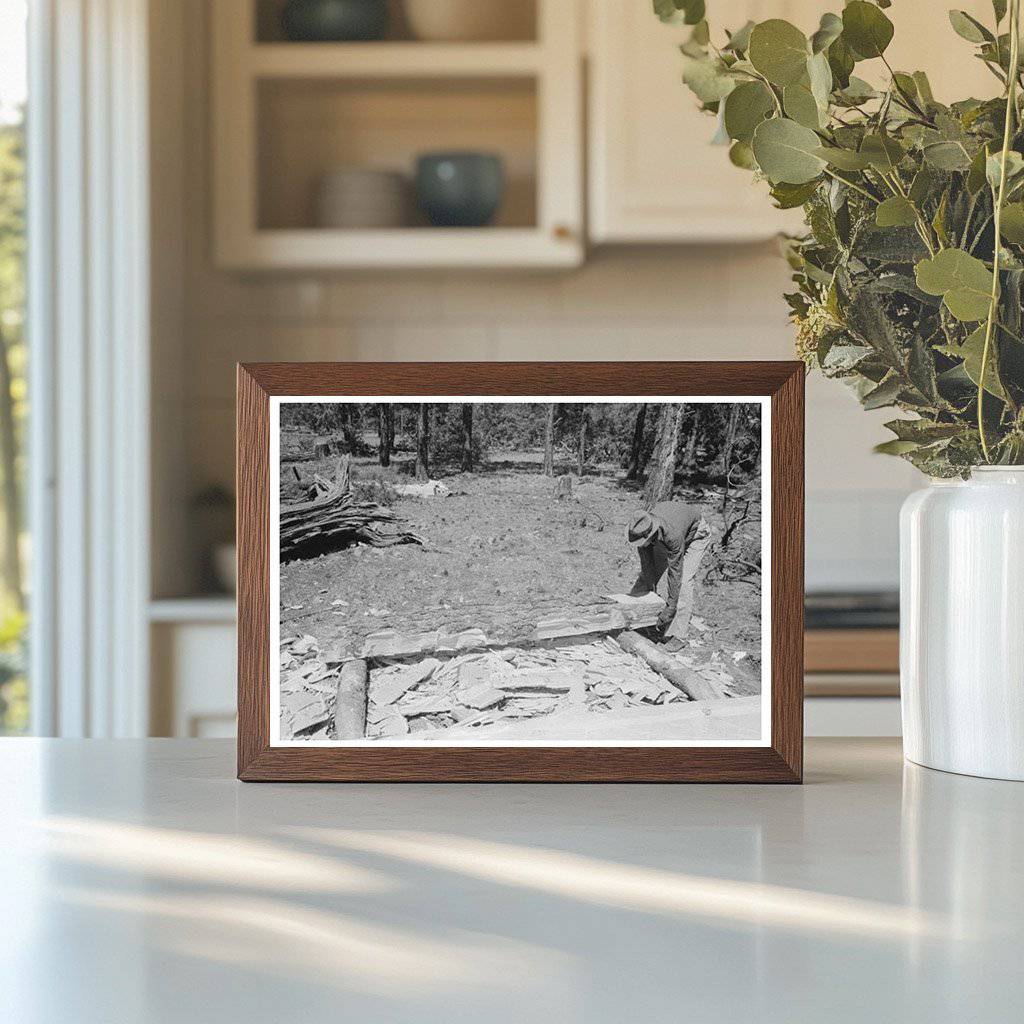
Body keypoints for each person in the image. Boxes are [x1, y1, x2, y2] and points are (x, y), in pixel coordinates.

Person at [627, 501, 712, 647]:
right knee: (644, 578)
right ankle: (632, 619)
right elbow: (647, 566)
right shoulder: (640, 528)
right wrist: (650, 598)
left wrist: (670, 608)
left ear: (651, 534)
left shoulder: (672, 535)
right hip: (666, 534)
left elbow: (675, 572)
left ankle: (677, 634)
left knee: (684, 582)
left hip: (696, 535)